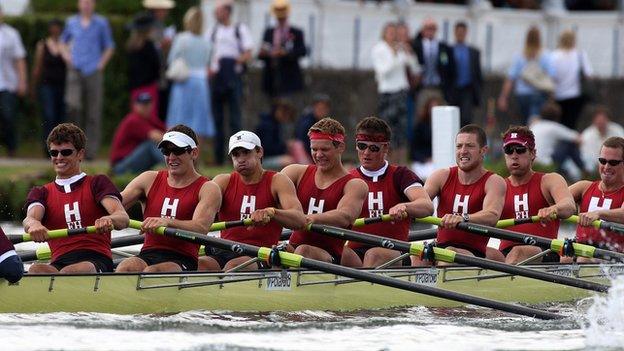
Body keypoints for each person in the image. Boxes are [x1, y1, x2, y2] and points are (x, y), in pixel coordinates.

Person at [23, 123, 129, 274]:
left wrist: (110, 220)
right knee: (35, 269)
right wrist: (33, 225)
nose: (59, 158)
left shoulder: (97, 183)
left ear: (80, 154)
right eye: (54, 153)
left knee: (71, 271)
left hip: (96, 260)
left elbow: (122, 217)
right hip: (59, 262)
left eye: (66, 152)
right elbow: (30, 219)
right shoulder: (41, 192)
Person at [116, 125, 222, 272]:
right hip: (148, 254)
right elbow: (115, 204)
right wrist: (104, 214)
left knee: (151, 272)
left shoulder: (208, 188)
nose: (171, 157)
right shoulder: (148, 179)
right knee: (125, 267)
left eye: (178, 151)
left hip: (183, 259)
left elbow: (201, 228)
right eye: (166, 151)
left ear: (194, 153)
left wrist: (167, 222)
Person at [199, 131, 306, 271]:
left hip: (261, 253)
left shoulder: (278, 181)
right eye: (236, 154)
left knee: (234, 266)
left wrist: (272, 212)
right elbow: (198, 213)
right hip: (226, 250)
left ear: (259, 152)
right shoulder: (222, 181)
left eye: (246, 152)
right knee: (200, 264)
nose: (241, 159)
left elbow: (299, 220)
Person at [342, 117, 433, 268]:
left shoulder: (401, 175)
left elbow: (427, 206)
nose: (366, 153)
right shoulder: (347, 179)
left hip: (394, 250)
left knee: (373, 255)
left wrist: (405, 207)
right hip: (355, 253)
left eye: (374, 148)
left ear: (385, 148)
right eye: (362, 146)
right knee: (330, 252)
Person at [282, 118, 368, 266]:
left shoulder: (355, 185)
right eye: (314, 149)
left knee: (303, 251)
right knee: (274, 250)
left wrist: (310, 219)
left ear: (340, 147)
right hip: (294, 249)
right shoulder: (294, 172)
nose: (318, 155)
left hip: (330, 256)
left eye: (324, 149)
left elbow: (345, 216)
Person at [420, 124, 506, 263]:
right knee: (414, 255)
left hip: (473, 252)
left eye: (470, 146)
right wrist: (404, 207)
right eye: (459, 146)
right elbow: (420, 202)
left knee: (449, 254)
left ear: (483, 150)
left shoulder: (494, 181)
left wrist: (463, 218)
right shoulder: (441, 176)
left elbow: (492, 215)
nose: (463, 151)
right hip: (441, 247)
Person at [498, 126, 576, 264]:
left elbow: (569, 206)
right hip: (505, 254)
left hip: (544, 251)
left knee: (518, 252)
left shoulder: (549, 180)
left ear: (533, 153)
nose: (514, 155)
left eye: (520, 150)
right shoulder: (497, 186)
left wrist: (554, 209)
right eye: (509, 150)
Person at [60, 0, 115, 160]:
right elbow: (63, 42)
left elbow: (109, 46)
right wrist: (67, 57)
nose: (86, 5)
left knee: (93, 112)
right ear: (79, 4)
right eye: (84, 2)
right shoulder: (71, 22)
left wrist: (101, 64)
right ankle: (72, 145)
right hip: (75, 69)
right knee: (73, 105)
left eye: (89, 2)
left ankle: (90, 152)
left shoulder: (101, 23)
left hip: (93, 70)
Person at [206, 0, 253, 165]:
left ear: (227, 11)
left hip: (233, 78)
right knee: (217, 119)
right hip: (217, 79)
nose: (216, 14)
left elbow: (248, 52)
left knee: (235, 120)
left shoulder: (239, 29)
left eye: (218, 11)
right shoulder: (212, 31)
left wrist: (231, 63)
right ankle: (219, 158)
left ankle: (237, 156)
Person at [166, 6, 215, 162]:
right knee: (198, 122)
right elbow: (208, 62)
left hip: (184, 82)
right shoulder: (207, 42)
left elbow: (171, 60)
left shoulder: (181, 39)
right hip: (200, 84)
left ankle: (174, 155)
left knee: (179, 119)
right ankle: (195, 159)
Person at [568, 137, 624, 261]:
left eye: (613, 163)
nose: (606, 166)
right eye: (602, 161)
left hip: (615, 259)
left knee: (583, 258)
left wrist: (598, 213)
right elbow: (559, 201)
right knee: (563, 256)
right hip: (581, 251)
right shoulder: (583, 187)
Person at [372, 22, 417, 164]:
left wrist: (408, 52)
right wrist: (394, 55)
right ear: (384, 33)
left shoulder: (400, 48)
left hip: (401, 93)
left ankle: (400, 162)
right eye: (390, 32)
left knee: (401, 131)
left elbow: (415, 67)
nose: (392, 35)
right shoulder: (379, 49)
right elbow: (383, 71)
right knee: (386, 129)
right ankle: (385, 162)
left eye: (394, 32)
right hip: (387, 93)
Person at [498, 26, 554, 124]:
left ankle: (526, 138)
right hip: (539, 92)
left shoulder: (519, 55)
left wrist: (503, 97)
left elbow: (511, 78)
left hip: (522, 94)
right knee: (535, 121)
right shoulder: (545, 55)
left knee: (523, 122)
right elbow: (552, 76)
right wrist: (552, 96)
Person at [258, 0, 307, 98]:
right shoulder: (269, 32)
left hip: (289, 77)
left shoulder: (296, 32)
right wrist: (265, 54)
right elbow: (261, 53)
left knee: (287, 107)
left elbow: (302, 51)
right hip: (271, 77)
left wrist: (285, 53)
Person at [31, 19, 66, 152]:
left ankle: (60, 145)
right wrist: (33, 86)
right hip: (47, 85)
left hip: (62, 86)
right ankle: (48, 145)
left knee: (60, 117)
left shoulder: (65, 45)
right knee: (49, 115)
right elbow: (38, 66)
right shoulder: (43, 45)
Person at [109, 92, 165, 175]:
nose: (145, 107)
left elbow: (168, 131)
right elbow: (156, 136)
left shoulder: (149, 118)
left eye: (147, 104)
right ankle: (178, 162)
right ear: (135, 105)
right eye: (142, 104)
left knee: (154, 145)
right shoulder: (133, 119)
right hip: (120, 166)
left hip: (129, 162)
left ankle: (179, 163)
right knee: (150, 145)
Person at [530, 101, 585, 178]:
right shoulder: (554, 127)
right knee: (568, 144)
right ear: (557, 116)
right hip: (547, 164)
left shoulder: (535, 126)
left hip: (533, 163)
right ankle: (584, 170)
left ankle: (566, 171)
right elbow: (578, 138)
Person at [551, 30, 593, 130]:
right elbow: (589, 74)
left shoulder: (554, 56)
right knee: (572, 124)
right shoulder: (579, 55)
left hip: (558, 94)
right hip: (574, 95)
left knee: (559, 124)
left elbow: (551, 76)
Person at [0, 6, 27, 158]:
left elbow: (19, 59)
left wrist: (22, 81)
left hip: (7, 84)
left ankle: (11, 148)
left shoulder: (11, 34)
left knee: (8, 116)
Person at [142, 0, 175, 121]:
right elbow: (151, 47)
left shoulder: (160, 25)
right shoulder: (151, 26)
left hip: (160, 72)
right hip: (153, 74)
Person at [411, 18, 453, 114]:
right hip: (422, 88)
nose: (430, 31)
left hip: (438, 87)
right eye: (427, 28)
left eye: (432, 28)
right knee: (420, 115)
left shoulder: (443, 46)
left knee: (440, 115)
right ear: (422, 29)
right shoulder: (416, 45)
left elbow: (448, 66)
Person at [126, 12, 162, 124]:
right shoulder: (150, 46)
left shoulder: (131, 46)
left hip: (135, 88)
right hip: (149, 87)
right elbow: (157, 66)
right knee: (150, 119)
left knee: (137, 119)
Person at [255, 99, 309, 170]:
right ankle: (305, 171)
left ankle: (307, 170)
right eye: (285, 113)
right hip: (262, 160)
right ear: (278, 111)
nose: (286, 117)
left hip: (274, 156)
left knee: (297, 145)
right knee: (289, 161)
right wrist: (285, 146)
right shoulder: (266, 125)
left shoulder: (277, 124)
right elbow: (267, 149)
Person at [449, 21, 482, 127]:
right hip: (453, 90)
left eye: (462, 32)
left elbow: (478, 73)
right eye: (458, 32)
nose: (460, 34)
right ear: (454, 32)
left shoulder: (473, 52)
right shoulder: (449, 50)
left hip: (467, 89)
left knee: (466, 118)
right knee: (453, 118)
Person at [581, 106, 624, 173]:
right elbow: (587, 156)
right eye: (598, 119)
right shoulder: (587, 135)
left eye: (603, 119)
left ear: (608, 119)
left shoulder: (617, 130)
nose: (601, 122)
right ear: (593, 120)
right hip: (595, 166)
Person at [411, 95, 443, 180]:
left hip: (439, 160)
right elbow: (414, 148)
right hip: (423, 162)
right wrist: (425, 159)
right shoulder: (420, 126)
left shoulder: (444, 127)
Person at [294, 93, 331, 159]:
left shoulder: (322, 122)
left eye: (324, 109)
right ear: (314, 107)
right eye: (319, 108)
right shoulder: (307, 123)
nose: (322, 111)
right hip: (304, 154)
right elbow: (303, 143)